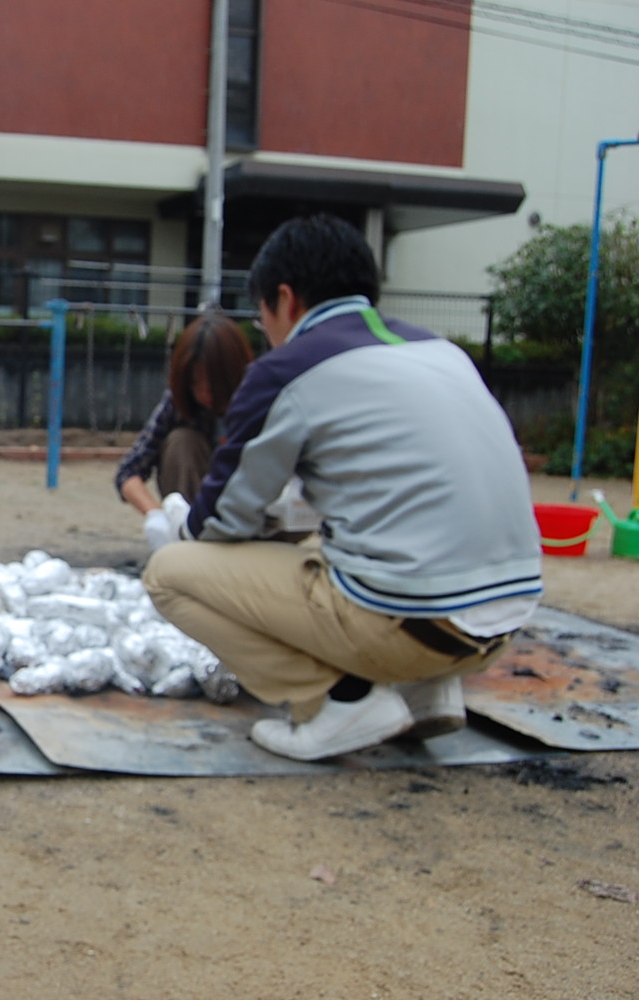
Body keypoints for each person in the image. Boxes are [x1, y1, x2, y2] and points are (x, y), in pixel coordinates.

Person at [142, 214, 542, 762]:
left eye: (263, 319)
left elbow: (217, 524)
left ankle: (336, 702)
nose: (268, 334)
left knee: (170, 575)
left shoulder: (288, 369)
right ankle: (426, 693)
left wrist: (171, 519)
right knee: (328, 549)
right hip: (503, 621)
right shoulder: (440, 350)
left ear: (284, 299)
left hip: (409, 625)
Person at [113, 312, 253, 551]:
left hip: (251, 507)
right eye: (195, 384)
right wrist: (155, 514)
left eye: (213, 384)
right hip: (198, 509)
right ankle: (190, 540)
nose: (204, 394)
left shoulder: (259, 396)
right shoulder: (180, 402)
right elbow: (128, 472)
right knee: (181, 441)